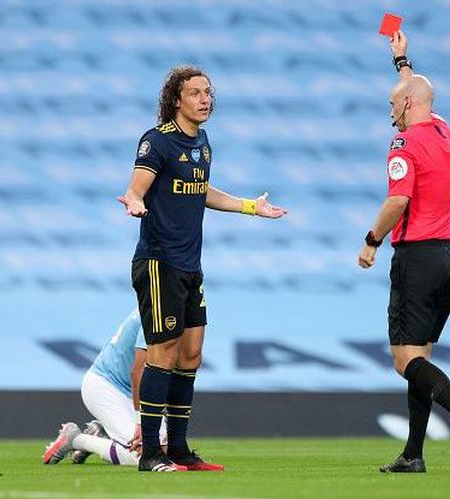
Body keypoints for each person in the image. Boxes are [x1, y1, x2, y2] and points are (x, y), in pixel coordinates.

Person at [117, 65, 287, 472]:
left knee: (191, 356)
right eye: (195, 93)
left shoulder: (203, 143)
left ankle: (179, 450)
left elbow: (202, 189)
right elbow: (137, 184)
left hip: (191, 266)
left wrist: (250, 206)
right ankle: (151, 454)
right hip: (159, 263)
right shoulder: (156, 141)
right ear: (177, 100)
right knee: (162, 354)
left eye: (208, 92)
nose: (205, 99)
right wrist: (134, 200)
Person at [358, 30, 450, 474]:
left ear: (405, 106)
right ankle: (414, 454)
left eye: (392, 107)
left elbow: (397, 202)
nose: (390, 115)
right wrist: (402, 60)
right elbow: (421, 91)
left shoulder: (404, 145)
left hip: (416, 256)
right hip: (449, 258)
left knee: (406, 361)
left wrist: (371, 240)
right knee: (420, 357)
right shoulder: (445, 132)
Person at [42, 310, 175, 469]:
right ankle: (76, 439)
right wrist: (141, 422)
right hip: (106, 386)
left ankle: (101, 434)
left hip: (133, 392)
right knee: (145, 456)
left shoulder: (166, 306)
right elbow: (137, 372)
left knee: (166, 453)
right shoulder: (155, 311)